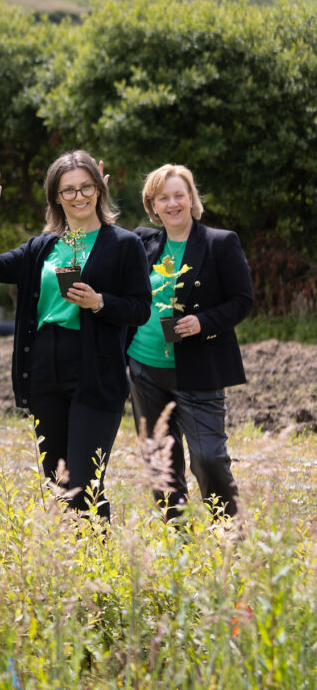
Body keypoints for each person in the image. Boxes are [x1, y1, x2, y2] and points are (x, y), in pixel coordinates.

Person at [0, 152, 149, 520]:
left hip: (95, 368)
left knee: (84, 482)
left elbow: (140, 308)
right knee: (58, 479)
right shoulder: (43, 247)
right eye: (68, 190)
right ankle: (73, 550)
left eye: (86, 187)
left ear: (99, 190)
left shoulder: (124, 244)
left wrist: (100, 302)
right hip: (43, 367)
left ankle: (96, 551)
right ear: (56, 197)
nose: (78, 196)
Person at [127, 164, 253, 521]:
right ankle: (177, 538)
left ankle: (229, 532)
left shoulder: (219, 243)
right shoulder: (142, 242)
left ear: (191, 198)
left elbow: (242, 300)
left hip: (199, 369)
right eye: (163, 198)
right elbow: (100, 241)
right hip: (145, 368)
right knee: (161, 461)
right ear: (152, 205)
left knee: (209, 458)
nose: (172, 204)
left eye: (179, 195)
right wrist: (97, 193)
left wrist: (203, 322)